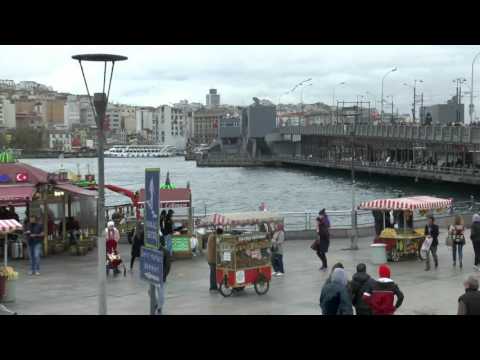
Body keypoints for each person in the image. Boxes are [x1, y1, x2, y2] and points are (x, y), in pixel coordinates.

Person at [154, 236, 172, 315]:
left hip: (160, 275)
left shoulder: (166, 252)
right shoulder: (152, 250)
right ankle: (157, 304)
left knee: (160, 292)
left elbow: (168, 266)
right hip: (152, 274)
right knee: (150, 291)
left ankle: (159, 307)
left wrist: (164, 275)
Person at [207, 227, 223, 291]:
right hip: (213, 259)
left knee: (213, 273)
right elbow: (216, 247)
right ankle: (213, 287)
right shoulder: (213, 237)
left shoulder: (211, 236)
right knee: (213, 273)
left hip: (211, 258)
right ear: (218, 233)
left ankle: (213, 286)